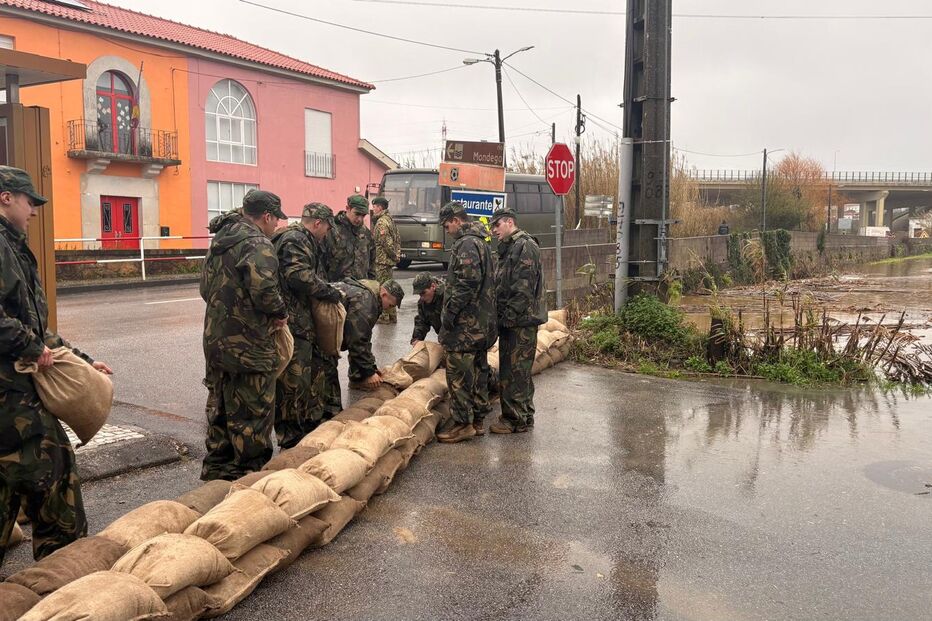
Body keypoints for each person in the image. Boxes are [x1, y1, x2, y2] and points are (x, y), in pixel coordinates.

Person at [0, 166, 112, 566]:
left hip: (17, 394)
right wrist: (30, 345)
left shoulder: (13, 246)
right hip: (11, 397)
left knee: (18, 479)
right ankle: (63, 575)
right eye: (30, 201)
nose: (34, 211)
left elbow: (34, 324)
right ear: (6, 197)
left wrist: (79, 360)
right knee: (54, 478)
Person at [200, 189, 288, 481]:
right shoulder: (258, 244)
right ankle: (249, 477)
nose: (276, 225)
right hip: (250, 344)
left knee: (221, 406)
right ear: (266, 216)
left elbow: (204, 288)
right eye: (276, 219)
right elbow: (265, 292)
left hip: (216, 340)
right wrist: (279, 313)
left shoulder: (220, 240)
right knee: (253, 411)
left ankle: (217, 472)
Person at [271, 203, 343, 449]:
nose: (327, 233)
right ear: (317, 223)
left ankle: (305, 425)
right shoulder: (296, 239)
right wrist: (329, 292)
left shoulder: (304, 240)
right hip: (292, 320)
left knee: (306, 376)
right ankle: (290, 436)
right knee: (294, 379)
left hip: (299, 318)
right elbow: (297, 275)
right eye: (326, 228)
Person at [434, 202, 496, 444]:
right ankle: (478, 420)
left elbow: (466, 284)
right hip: (481, 322)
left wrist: (449, 314)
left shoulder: (467, 243)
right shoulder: (481, 241)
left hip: (466, 324)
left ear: (457, 220)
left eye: (447, 223)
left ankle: (463, 424)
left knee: (458, 373)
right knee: (479, 370)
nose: (446, 228)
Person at [488, 208, 547, 434]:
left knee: (516, 372)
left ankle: (516, 419)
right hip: (513, 320)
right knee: (513, 370)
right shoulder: (510, 247)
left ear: (509, 222)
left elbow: (523, 288)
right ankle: (521, 415)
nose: (494, 230)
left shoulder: (525, 246)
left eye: (497, 225)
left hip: (520, 322)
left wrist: (508, 318)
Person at [326, 279, 404, 395]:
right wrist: (369, 373)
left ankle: (357, 379)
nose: (389, 308)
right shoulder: (366, 302)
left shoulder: (371, 292)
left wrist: (372, 367)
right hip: (318, 325)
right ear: (384, 295)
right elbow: (357, 340)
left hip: (324, 321)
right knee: (327, 372)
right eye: (390, 305)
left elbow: (364, 336)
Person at [325, 194, 375, 282]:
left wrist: (372, 284)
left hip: (361, 289)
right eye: (357, 214)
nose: (359, 219)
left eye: (363, 215)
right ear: (347, 208)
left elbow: (373, 263)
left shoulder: (366, 234)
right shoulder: (331, 230)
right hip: (336, 288)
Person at [371, 196, 401, 324]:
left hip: (382, 261)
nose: (373, 209)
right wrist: (397, 255)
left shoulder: (381, 222)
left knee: (383, 289)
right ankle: (392, 315)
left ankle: (384, 316)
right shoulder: (390, 220)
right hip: (388, 261)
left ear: (380, 207)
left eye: (375, 206)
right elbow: (398, 239)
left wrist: (393, 255)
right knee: (390, 288)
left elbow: (386, 243)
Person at [410, 272, 444, 345]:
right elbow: (422, 321)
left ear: (433, 286)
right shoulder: (422, 303)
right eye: (419, 294)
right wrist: (417, 338)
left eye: (423, 293)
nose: (422, 297)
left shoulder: (448, 297)